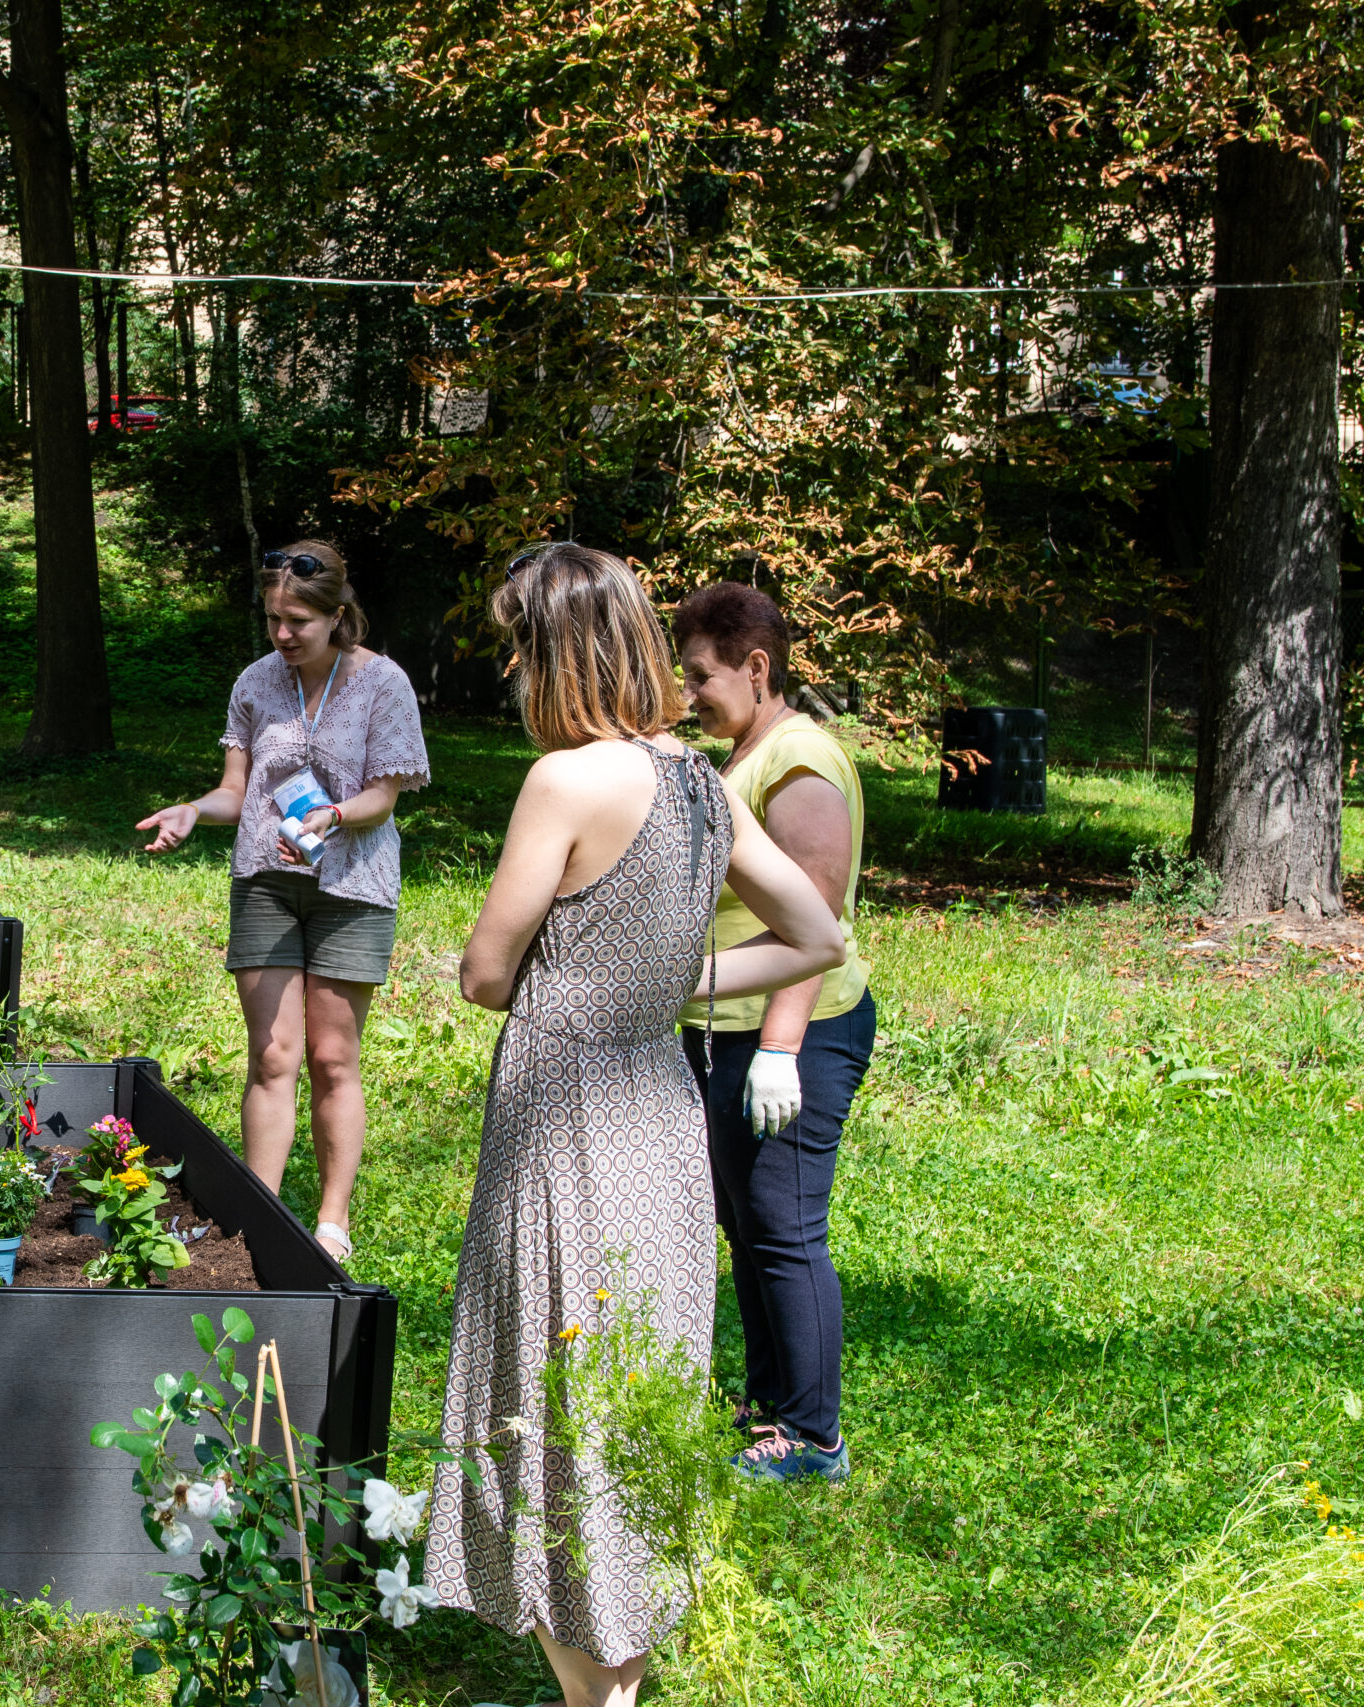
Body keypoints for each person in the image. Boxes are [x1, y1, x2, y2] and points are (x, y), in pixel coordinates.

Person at [423, 544, 843, 1707]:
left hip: (562, 1109)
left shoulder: (567, 780)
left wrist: (603, 982)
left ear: (556, 651)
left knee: (556, 1383)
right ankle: (619, 1666)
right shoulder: (704, 780)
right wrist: (668, 982)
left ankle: (594, 1689)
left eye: (518, 646)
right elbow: (815, 935)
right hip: (656, 1110)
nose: (510, 668)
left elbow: (484, 973)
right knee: (631, 1385)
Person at [135, 542, 428, 1263]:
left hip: (352, 884)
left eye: (299, 620)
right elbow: (236, 791)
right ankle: (256, 1213)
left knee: (332, 1057)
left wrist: (332, 817)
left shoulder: (382, 683)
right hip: (266, 879)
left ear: (337, 615)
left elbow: (385, 796)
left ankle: (331, 1221)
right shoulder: (258, 682)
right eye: (274, 620)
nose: (284, 635)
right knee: (272, 1054)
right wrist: (192, 811)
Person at [673, 582, 875, 1483]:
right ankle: (767, 1409)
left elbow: (814, 913)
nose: (690, 697)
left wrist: (781, 1050)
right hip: (727, 1028)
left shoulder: (799, 759)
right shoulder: (743, 750)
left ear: (758, 667)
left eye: (702, 677)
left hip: (793, 1033)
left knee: (786, 1224)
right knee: (747, 1224)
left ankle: (814, 1435)